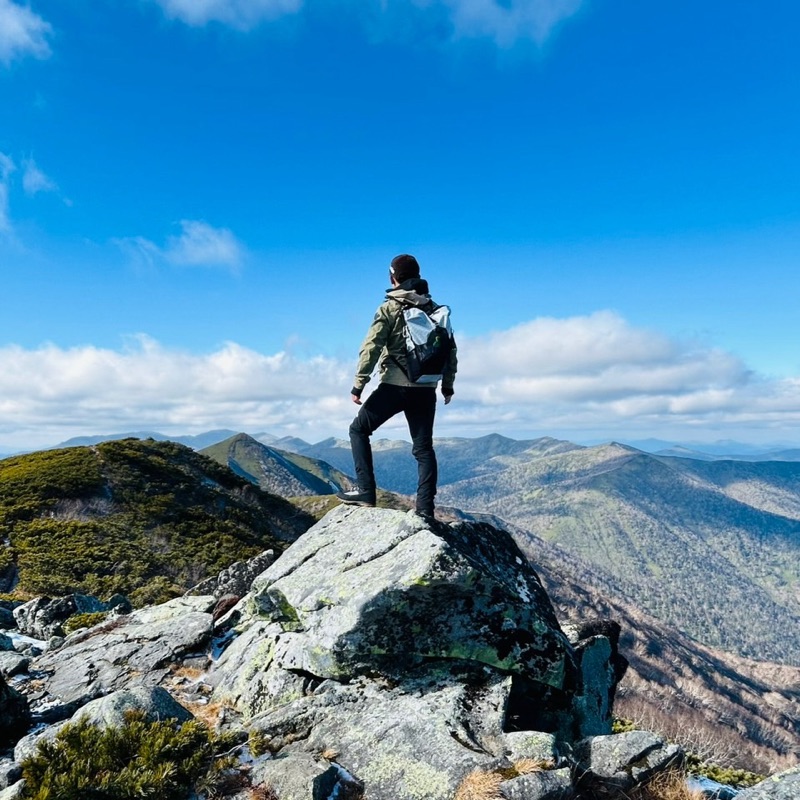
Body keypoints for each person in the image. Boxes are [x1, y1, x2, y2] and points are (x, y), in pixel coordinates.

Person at [336, 254, 457, 518]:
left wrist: (359, 385)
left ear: (393, 277)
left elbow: (371, 347)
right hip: (426, 389)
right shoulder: (435, 309)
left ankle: (366, 491)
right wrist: (447, 386)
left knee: (358, 429)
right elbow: (450, 350)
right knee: (423, 448)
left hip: (394, 386)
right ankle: (425, 511)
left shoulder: (390, 308)